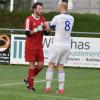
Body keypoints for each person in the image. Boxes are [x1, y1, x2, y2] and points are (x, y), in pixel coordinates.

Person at [45, 1, 74, 94]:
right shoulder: (71, 18)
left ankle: (48, 87)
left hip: (58, 44)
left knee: (51, 64)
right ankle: (61, 89)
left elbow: (50, 28)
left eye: (58, 6)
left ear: (61, 7)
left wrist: (46, 25)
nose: (57, 8)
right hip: (67, 45)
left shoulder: (57, 17)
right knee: (60, 66)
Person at [24, 2, 46, 92]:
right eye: (39, 9)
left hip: (39, 47)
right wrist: (36, 29)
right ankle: (30, 87)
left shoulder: (43, 19)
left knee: (41, 66)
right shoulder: (29, 19)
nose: (41, 10)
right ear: (34, 9)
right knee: (32, 66)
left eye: (42, 9)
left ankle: (28, 79)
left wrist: (48, 28)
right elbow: (27, 33)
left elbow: (46, 32)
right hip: (30, 47)